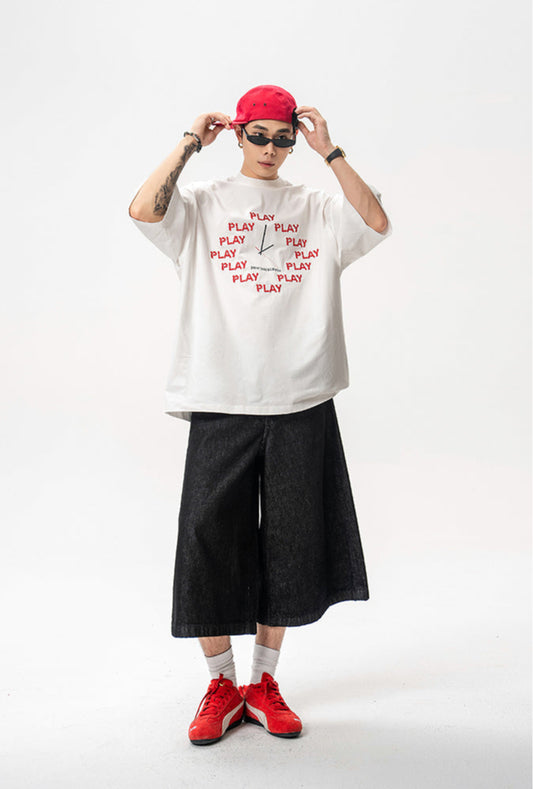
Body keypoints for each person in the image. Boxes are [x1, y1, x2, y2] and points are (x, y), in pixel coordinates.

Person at [128, 84, 392, 746]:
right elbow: (142, 209)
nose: (270, 148)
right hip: (221, 395)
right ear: (239, 133)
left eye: (283, 138)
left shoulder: (316, 207)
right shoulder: (203, 203)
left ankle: (263, 681)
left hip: (301, 396)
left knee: (291, 542)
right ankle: (220, 683)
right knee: (207, 537)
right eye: (258, 135)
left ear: (294, 141)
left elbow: (375, 222)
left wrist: (331, 151)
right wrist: (191, 142)